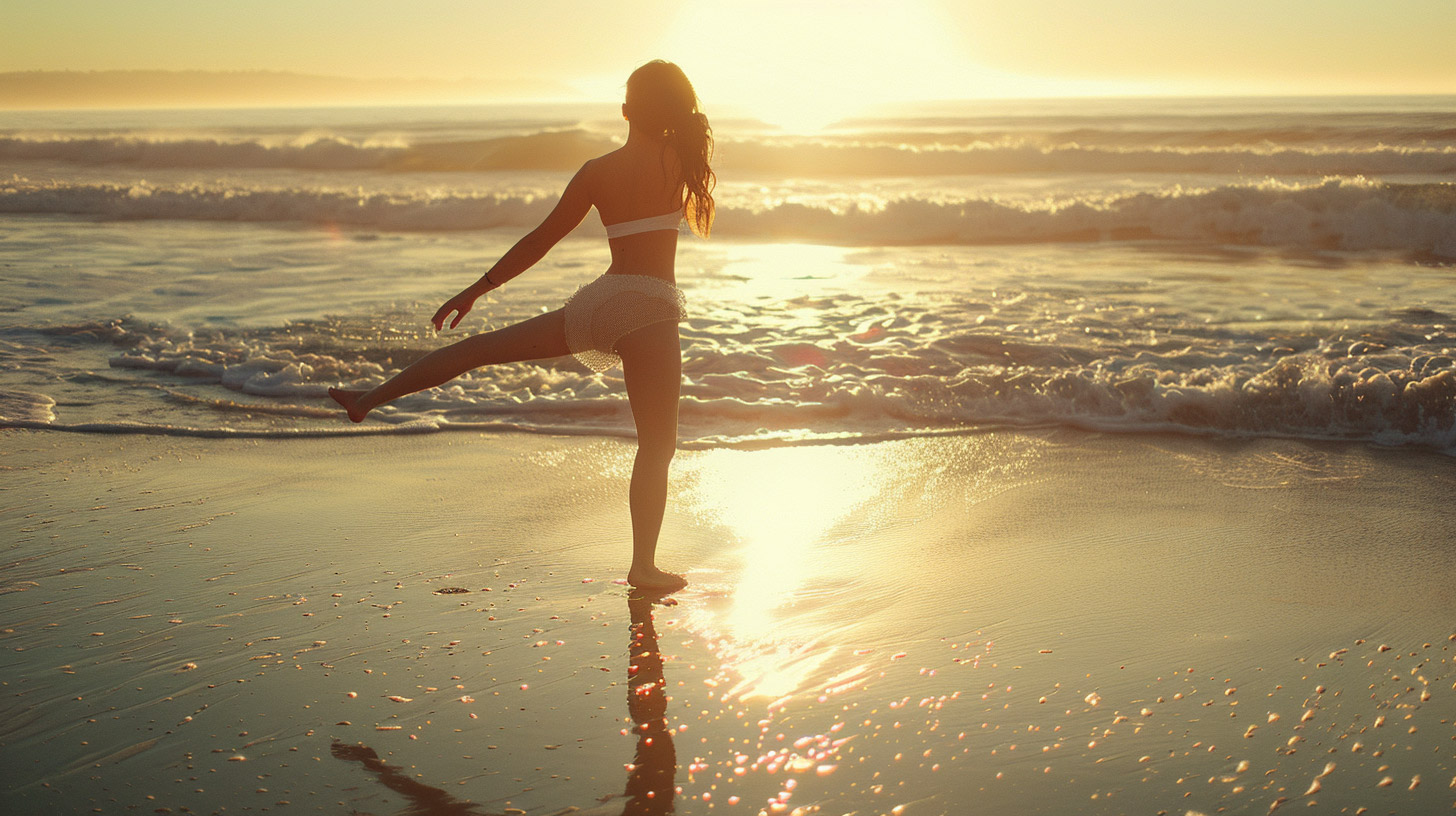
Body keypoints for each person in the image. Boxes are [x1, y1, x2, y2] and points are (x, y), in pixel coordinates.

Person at [328, 60, 714, 593]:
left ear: (625, 110)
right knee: (656, 446)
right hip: (649, 310)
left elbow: (539, 241)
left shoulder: (596, 170)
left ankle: (368, 399)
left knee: (480, 349)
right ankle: (642, 566)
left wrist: (476, 290)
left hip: (601, 304)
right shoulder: (682, 157)